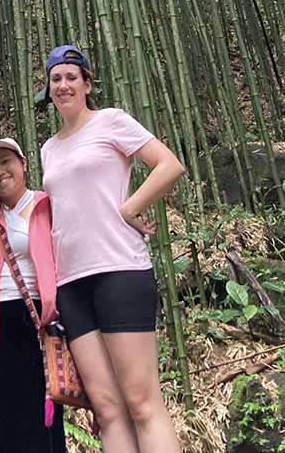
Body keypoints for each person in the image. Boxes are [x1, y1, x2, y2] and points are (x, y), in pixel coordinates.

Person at [40, 44, 185, 453]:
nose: (63, 85)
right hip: (71, 281)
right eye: (56, 79)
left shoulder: (111, 121)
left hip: (119, 269)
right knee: (107, 409)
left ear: (87, 83)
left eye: (71, 77)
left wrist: (130, 207)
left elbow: (169, 164)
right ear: (48, 90)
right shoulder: (49, 148)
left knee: (141, 402)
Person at [0, 137, 66, 453]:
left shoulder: (46, 205)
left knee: (38, 421)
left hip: (35, 321)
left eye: (5, 162)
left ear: (23, 164)